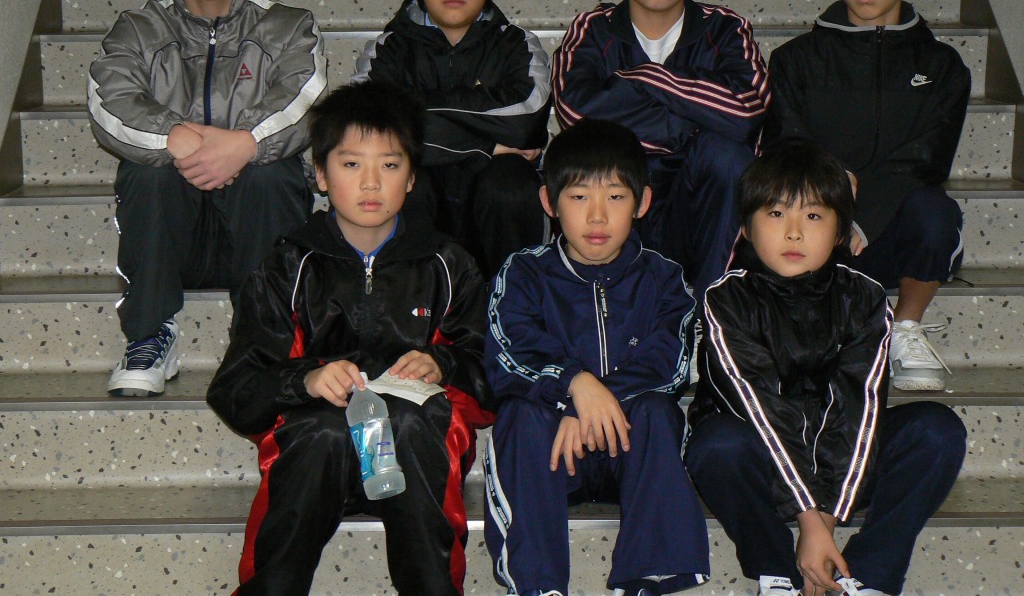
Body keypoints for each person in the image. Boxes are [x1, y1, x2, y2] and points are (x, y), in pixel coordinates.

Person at [207, 81, 494, 596]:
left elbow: (491, 376)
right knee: (322, 432)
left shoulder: (447, 264)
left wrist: (443, 363)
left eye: (390, 164)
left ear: (412, 177)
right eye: (350, 164)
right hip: (318, 448)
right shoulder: (288, 265)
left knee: (409, 423)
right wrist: (305, 379)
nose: (371, 182)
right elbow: (237, 389)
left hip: (416, 446)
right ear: (320, 174)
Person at [684, 141, 966, 596]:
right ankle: (777, 572)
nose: (794, 233)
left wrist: (827, 522)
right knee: (715, 445)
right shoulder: (726, 299)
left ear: (840, 233)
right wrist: (808, 521)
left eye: (813, 216)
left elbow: (858, 410)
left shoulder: (865, 297)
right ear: (747, 228)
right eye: (776, 214)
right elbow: (761, 411)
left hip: (843, 466)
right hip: (764, 464)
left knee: (937, 431)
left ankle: (865, 576)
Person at [88, 0, 328, 397]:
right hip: (174, 238)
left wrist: (244, 145)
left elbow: (305, 101)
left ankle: (264, 338)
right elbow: (110, 103)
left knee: (272, 171)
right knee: (146, 170)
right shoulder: (137, 30)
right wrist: (175, 139)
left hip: (259, 227)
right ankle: (150, 333)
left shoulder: (289, 27)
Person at [483, 119, 710, 596]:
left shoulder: (665, 278)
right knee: (521, 416)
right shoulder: (523, 273)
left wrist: (594, 399)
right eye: (579, 196)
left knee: (656, 411)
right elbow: (508, 355)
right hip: (552, 453)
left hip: (630, 451)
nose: (598, 216)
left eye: (617, 196)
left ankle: (649, 579)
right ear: (549, 203)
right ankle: (539, 586)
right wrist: (574, 386)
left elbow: (671, 364)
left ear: (643, 203)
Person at [764, 0, 970, 391]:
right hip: (818, 231)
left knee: (936, 213)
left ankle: (906, 327)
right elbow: (788, 146)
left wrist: (867, 211)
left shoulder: (942, 67)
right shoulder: (795, 61)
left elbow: (927, 159)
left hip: (892, 233)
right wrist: (834, 195)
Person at [552, 0, 769, 301]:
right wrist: (693, 123)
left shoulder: (725, 29)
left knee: (727, 156)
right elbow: (577, 112)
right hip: (620, 207)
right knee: (596, 165)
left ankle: (709, 311)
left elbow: (746, 112)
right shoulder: (593, 30)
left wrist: (646, 78)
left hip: (697, 212)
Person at [352, 0, 551, 278]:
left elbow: (525, 124)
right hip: (422, 215)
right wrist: (485, 145)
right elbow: (372, 129)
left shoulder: (517, 45)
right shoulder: (387, 50)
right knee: (400, 180)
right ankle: (409, 311)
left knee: (510, 183)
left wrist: (414, 117)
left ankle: (511, 305)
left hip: (493, 214)